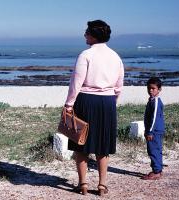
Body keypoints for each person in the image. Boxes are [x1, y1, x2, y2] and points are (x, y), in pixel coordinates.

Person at [64, 20, 124, 196]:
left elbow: (76, 82)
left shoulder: (85, 55)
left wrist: (69, 104)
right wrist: (113, 101)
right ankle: (102, 185)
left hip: (86, 100)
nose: (85, 35)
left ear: (93, 35)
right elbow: (119, 85)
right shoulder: (115, 56)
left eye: (87, 32)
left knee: (80, 142)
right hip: (107, 102)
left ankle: (83, 184)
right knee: (103, 144)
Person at [142, 77, 165, 180]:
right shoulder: (151, 100)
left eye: (153, 88)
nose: (150, 90)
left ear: (159, 90)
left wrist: (150, 131)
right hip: (154, 130)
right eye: (149, 88)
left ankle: (156, 171)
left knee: (153, 150)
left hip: (154, 131)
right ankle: (158, 169)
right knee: (156, 149)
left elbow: (154, 118)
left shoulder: (155, 101)